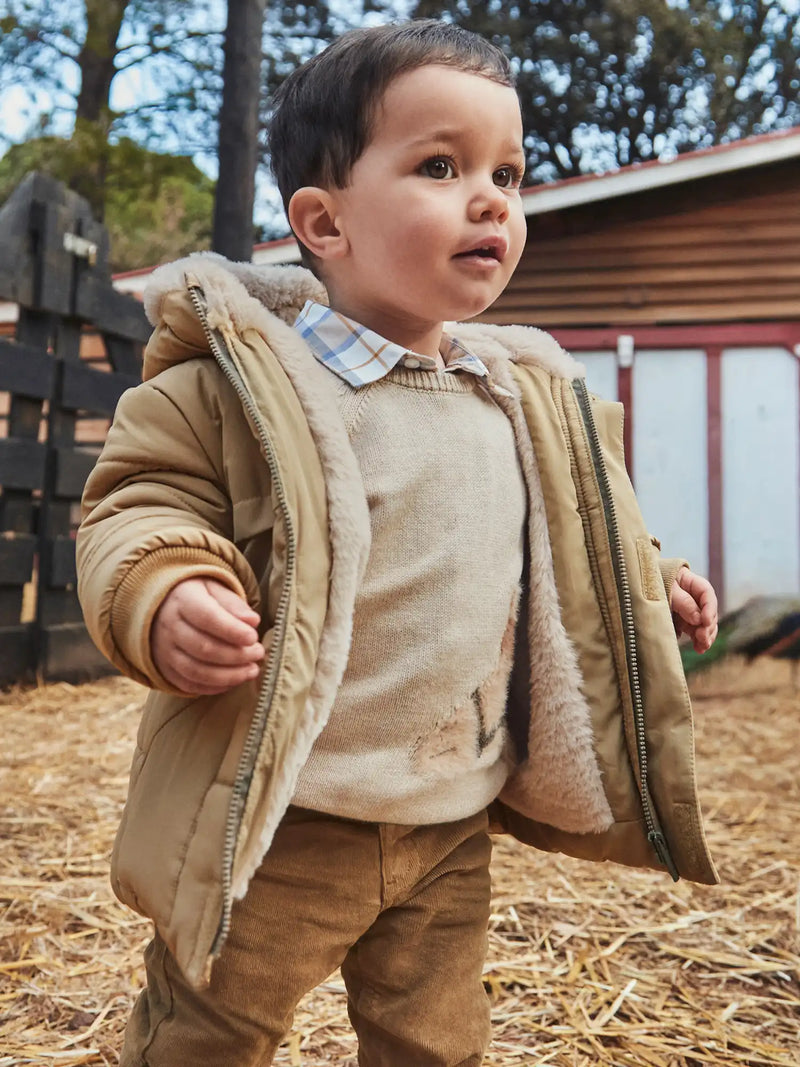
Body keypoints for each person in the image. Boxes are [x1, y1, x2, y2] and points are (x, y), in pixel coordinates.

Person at [76, 19, 720, 1067]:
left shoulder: (517, 396)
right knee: (207, 1031)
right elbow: (135, 504)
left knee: (437, 1039)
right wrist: (164, 588)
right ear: (323, 222)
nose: (490, 199)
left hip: (446, 819)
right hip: (281, 818)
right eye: (439, 164)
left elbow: (566, 537)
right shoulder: (239, 385)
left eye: (506, 173)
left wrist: (652, 579)